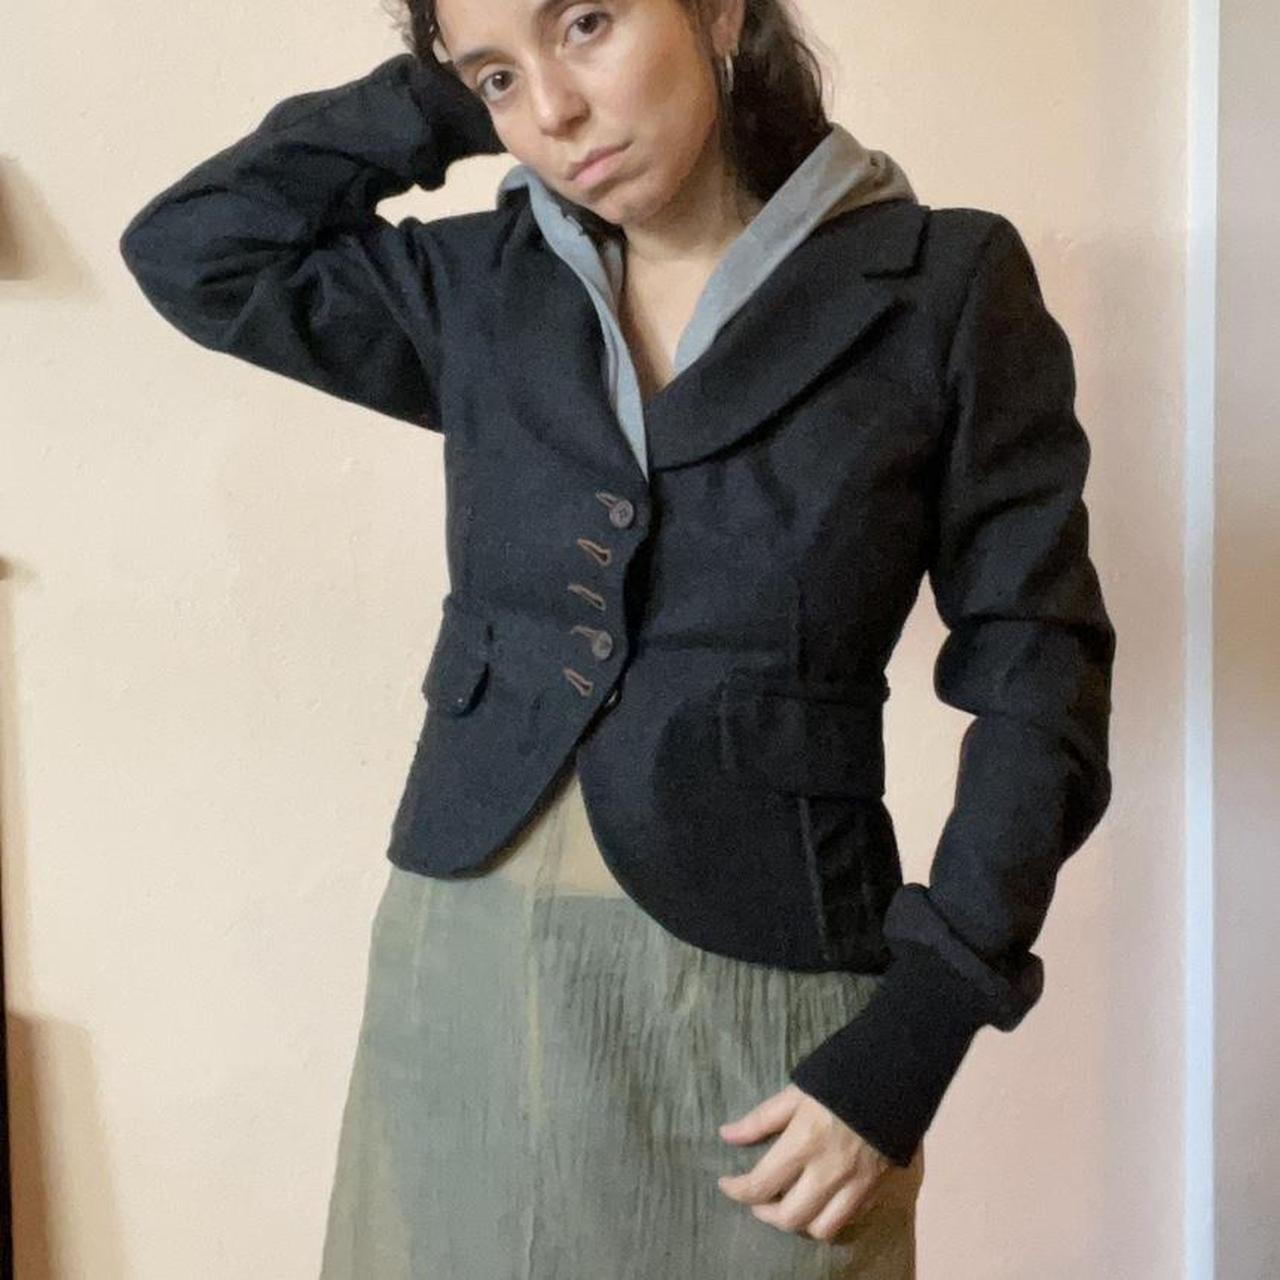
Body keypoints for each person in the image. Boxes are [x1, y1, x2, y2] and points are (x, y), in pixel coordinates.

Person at [118, 1, 1115, 1275]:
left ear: (717, 11)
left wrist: (917, 1031)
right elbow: (197, 249)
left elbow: (1040, 671)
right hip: (461, 971)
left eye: (585, 22)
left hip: (773, 999)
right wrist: (448, 84)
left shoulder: (939, 285)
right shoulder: (480, 285)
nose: (554, 111)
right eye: (498, 77)